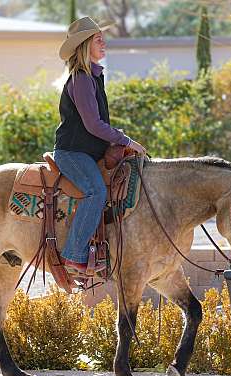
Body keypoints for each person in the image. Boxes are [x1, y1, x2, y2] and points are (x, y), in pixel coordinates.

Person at [54, 16, 146, 276]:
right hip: (72, 153)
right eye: (97, 39)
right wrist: (126, 141)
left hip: (85, 152)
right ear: (85, 45)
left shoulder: (93, 77)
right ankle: (73, 254)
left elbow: (97, 126)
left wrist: (119, 139)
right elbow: (93, 125)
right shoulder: (82, 78)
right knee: (96, 191)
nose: (104, 42)